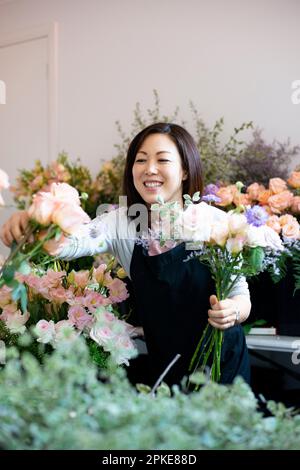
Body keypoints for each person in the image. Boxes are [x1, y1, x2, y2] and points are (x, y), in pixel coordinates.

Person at [0, 122, 251, 387]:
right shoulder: (122, 223)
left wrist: (232, 311)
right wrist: (34, 222)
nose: (149, 169)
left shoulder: (216, 223)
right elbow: (72, 244)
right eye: (140, 160)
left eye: (162, 159)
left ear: (185, 170)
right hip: (166, 365)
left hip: (222, 365)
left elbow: (241, 298)